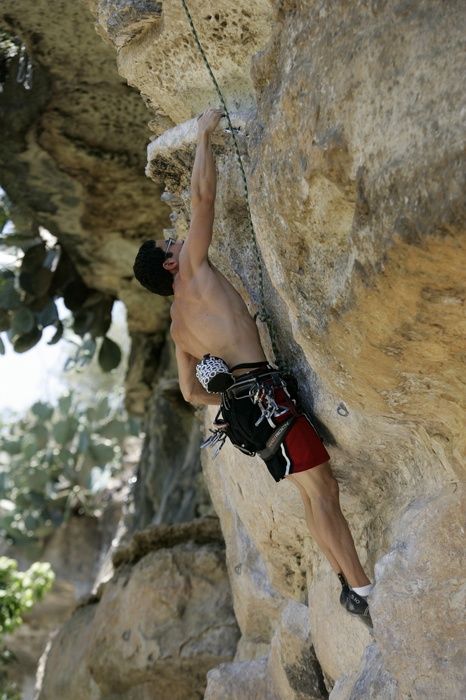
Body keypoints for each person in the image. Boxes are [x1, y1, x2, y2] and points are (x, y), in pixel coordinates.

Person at [133, 107, 374, 626]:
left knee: (316, 495)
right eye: (169, 244)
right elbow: (202, 199)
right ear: (171, 264)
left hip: (252, 413)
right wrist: (204, 136)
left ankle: (346, 583)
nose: (177, 239)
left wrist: (231, 394)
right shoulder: (193, 272)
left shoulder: (178, 327)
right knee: (324, 492)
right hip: (267, 399)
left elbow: (192, 393)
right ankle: (362, 588)